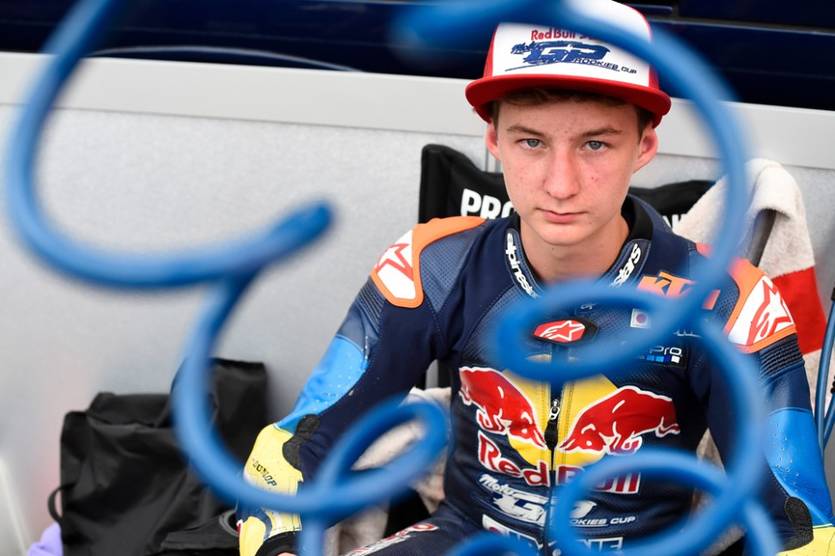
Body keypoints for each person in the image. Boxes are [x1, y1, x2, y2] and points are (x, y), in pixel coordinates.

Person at [237, 2, 834, 554]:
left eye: (595, 144)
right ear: (493, 140)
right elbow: (290, 454)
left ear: (645, 145)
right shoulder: (431, 266)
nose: (561, 184)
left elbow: (800, 525)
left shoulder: (730, 301)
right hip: (467, 536)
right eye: (531, 142)